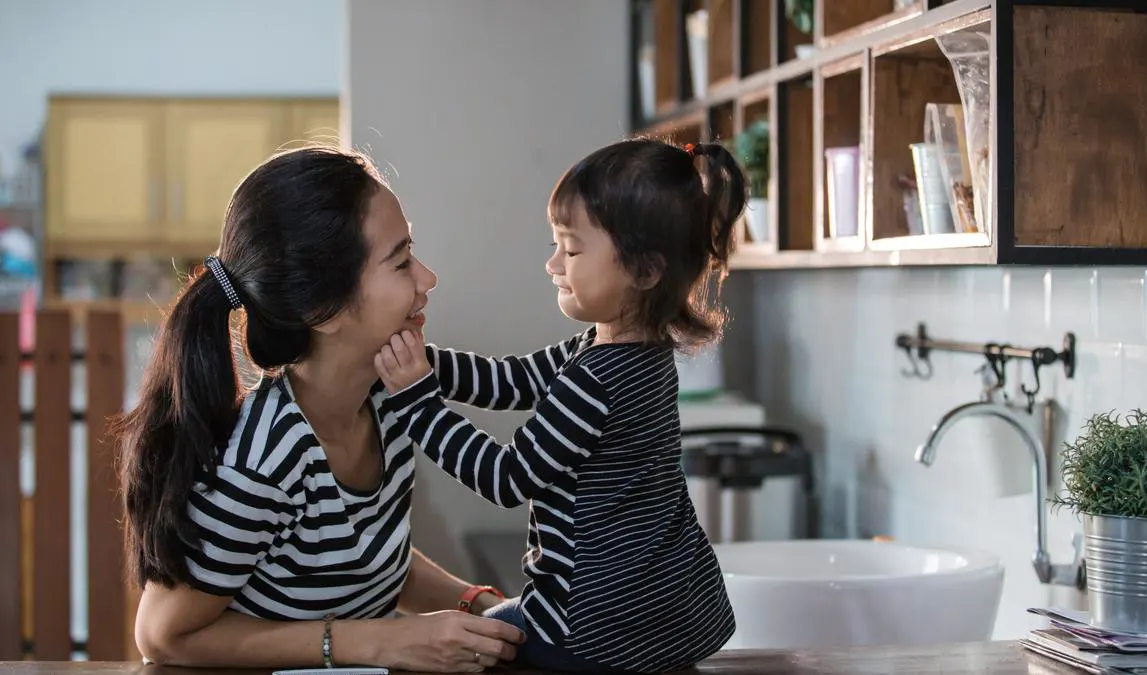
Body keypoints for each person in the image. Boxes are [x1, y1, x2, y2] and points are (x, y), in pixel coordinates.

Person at [114, 146, 525, 673]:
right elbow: (161, 634)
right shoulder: (265, 459)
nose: (427, 278)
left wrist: (476, 604)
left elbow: (369, 557)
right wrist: (376, 642)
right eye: (400, 261)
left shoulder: (390, 396)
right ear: (320, 310)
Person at [373, 137, 745, 673]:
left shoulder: (598, 379)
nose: (552, 264)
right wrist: (423, 362)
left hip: (594, 628)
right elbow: (512, 380)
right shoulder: (630, 351)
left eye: (570, 250)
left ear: (644, 270)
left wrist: (416, 402)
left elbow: (506, 478)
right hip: (666, 613)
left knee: (477, 646)